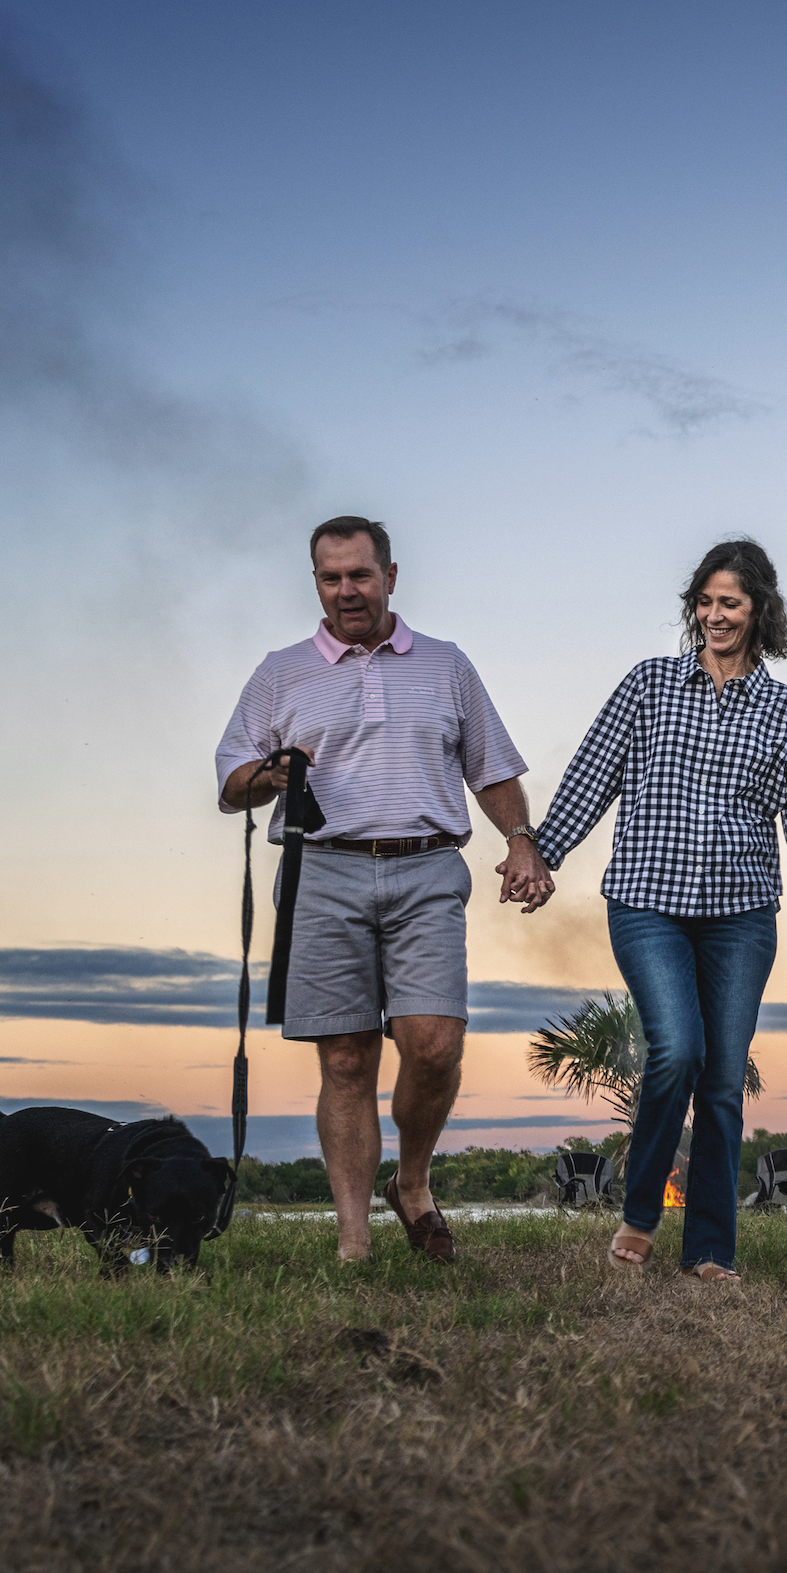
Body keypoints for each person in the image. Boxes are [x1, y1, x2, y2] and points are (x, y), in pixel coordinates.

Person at [214, 516, 551, 1265]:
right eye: (331, 578)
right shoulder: (280, 672)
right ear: (315, 584)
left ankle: (413, 1181)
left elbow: (491, 767)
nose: (346, 591)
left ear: (390, 577)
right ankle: (353, 1243)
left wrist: (521, 843)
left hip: (427, 867)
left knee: (434, 1044)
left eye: (360, 576)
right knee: (344, 1059)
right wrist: (266, 775)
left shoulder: (446, 664)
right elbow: (232, 782)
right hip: (322, 872)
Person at [526, 537, 787, 1284]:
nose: (713, 616)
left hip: (740, 914)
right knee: (679, 1050)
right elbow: (591, 775)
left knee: (724, 1081)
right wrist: (542, 854)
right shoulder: (648, 686)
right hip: (647, 903)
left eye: (728, 602)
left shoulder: (783, 710)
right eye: (703, 602)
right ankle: (640, 1211)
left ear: (759, 610)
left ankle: (707, 1251)